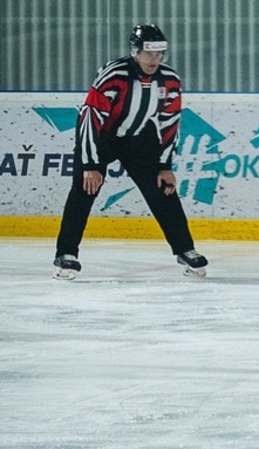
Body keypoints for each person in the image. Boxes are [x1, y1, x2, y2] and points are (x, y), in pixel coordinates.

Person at [52, 24, 208, 281]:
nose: (155, 60)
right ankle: (66, 254)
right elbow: (91, 116)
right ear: (135, 51)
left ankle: (185, 250)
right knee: (84, 189)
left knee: (164, 190)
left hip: (139, 140)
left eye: (160, 54)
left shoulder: (169, 80)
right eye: (149, 53)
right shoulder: (114, 75)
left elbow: (170, 122)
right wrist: (90, 163)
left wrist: (164, 164)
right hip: (102, 138)